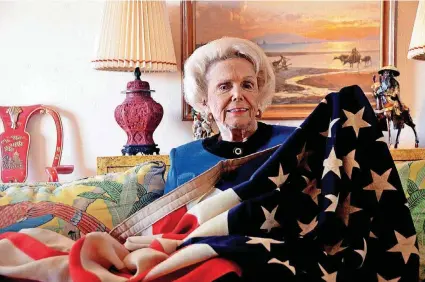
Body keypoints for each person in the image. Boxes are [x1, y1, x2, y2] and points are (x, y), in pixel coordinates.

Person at [164, 37, 296, 194]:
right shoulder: (184, 159)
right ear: (204, 100)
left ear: (259, 94)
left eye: (247, 85)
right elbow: (172, 218)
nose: (237, 94)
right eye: (224, 87)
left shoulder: (294, 141)